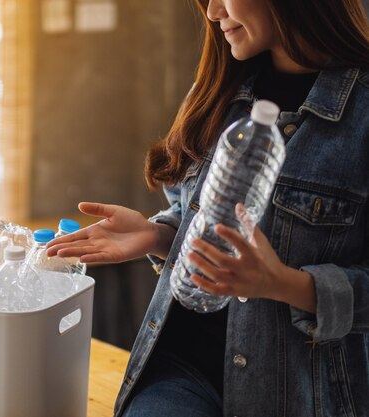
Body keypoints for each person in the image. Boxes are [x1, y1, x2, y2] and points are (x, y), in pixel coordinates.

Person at [46, 0, 369, 416]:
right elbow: (194, 214)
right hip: (182, 374)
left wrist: (284, 284)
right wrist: (162, 234)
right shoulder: (221, 92)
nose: (213, 12)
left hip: (302, 394)